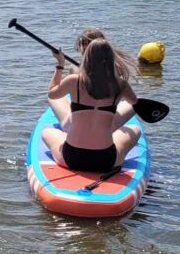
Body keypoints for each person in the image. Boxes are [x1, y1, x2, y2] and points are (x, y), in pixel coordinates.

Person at [42, 39, 141, 172]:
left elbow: (52, 94)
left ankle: (69, 137)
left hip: (72, 158)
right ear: (111, 59)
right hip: (106, 161)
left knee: (47, 132)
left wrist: (60, 65)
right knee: (135, 130)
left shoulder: (74, 81)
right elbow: (135, 102)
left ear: (87, 58)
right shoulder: (121, 85)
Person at [51, 28, 138, 130]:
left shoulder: (74, 71)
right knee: (135, 103)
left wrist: (60, 64)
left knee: (53, 97)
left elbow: (52, 94)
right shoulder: (116, 70)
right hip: (107, 125)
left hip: (74, 125)